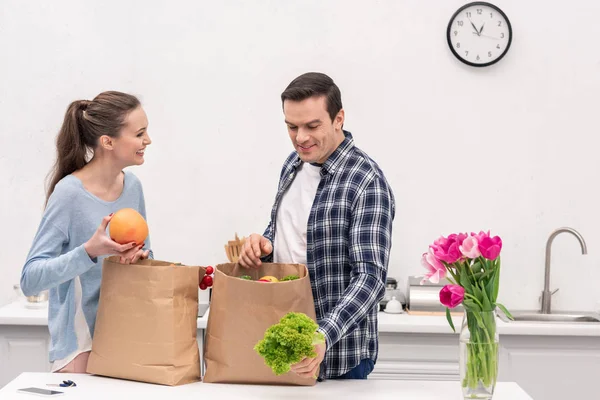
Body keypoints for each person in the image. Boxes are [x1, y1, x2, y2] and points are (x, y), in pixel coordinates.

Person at [239, 72, 395, 380]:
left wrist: (321, 336)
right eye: (291, 126)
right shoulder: (293, 164)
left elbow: (370, 278)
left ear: (338, 119)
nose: (300, 137)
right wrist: (266, 244)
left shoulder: (366, 181)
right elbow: (289, 229)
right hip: (284, 343)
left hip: (337, 356)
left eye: (312, 126)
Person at [20, 91, 153, 373]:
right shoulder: (69, 194)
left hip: (126, 338)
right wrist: (88, 252)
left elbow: (147, 256)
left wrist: (139, 257)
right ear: (108, 141)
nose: (148, 141)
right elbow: (31, 279)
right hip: (81, 348)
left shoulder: (133, 187)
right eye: (140, 133)